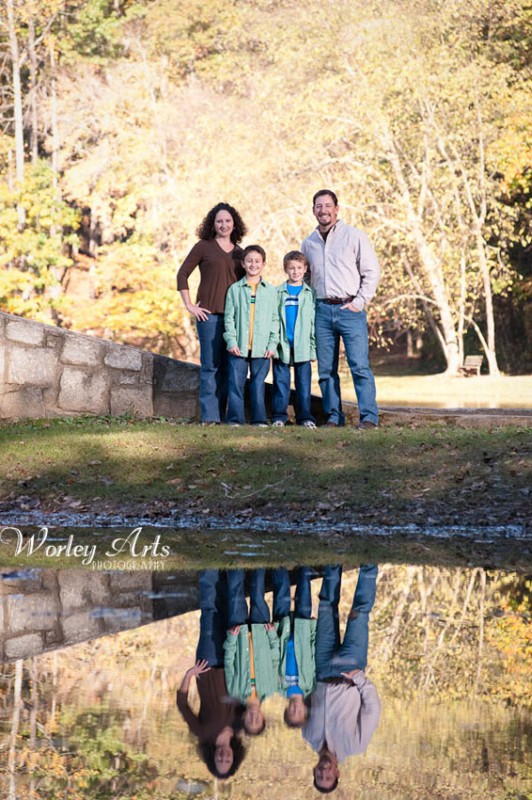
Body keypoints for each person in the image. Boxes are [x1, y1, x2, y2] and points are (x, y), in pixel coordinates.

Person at [301, 190, 380, 428]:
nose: (323, 210)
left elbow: (371, 272)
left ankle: (369, 418)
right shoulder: (309, 243)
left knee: (359, 366)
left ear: (337, 208)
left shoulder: (354, 236)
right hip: (322, 311)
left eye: (327, 205)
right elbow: (306, 277)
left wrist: (359, 302)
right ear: (313, 210)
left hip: (350, 310)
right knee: (326, 370)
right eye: (318, 206)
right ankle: (334, 417)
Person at [303, 564, 381, 793]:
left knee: (326, 607)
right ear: (338, 773)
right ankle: (369, 562)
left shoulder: (308, 736)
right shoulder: (356, 745)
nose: (324, 771)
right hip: (350, 671)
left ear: (314, 771)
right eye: (328, 776)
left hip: (323, 668)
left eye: (320, 775)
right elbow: (372, 709)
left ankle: (334, 560)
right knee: (359, 613)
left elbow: (306, 700)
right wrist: (360, 679)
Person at [177, 203, 246, 424]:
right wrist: (190, 305)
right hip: (208, 317)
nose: (223, 225)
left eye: (227, 221)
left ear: (234, 223)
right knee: (210, 366)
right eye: (219, 221)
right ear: (212, 224)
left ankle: (226, 416)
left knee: (229, 367)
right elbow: (182, 275)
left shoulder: (240, 253)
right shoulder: (203, 247)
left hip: (233, 319)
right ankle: (210, 416)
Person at [176, 570, 246, 779]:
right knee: (231, 614)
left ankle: (209, 570)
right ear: (234, 757)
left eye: (219, 760)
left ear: (212, 757)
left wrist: (189, 675)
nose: (224, 757)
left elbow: (182, 705)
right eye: (228, 760)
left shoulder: (203, 733)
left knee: (210, 613)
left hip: (207, 664)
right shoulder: (240, 727)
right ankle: (230, 571)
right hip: (234, 662)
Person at [223, 245, 279, 426]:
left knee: (257, 384)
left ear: (263, 264)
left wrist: (272, 345)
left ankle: (259, 419)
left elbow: (275, 320)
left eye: (257, 261)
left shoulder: (271, 291)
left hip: (262, 348)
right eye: (249, 261)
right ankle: (235, 420)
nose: (253, 264)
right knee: (236, 384)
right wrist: (231, 341)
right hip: (238, 347)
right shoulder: (234, 289)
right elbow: (229, 318)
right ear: (243, 264)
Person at [223, 568, 280, 735]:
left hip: (238, 633)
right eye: (258, 721)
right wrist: (271, 635)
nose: (253, 718)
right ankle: (258, 560)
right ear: (263, 716)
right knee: (257, 593)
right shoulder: (271, 688)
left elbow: (228, 662)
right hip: (261, 632)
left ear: (243, 718)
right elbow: (275, 658)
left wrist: (232, 639)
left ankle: (235, 563)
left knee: (235, 595)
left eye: (250, 721)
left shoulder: (235, 691)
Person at [271, 251, 317, 428]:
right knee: (281, 385)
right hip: (283, 345)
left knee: (303, 386)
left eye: (299, 268)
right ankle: (279, 417)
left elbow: (312, 323)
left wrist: (313, 349)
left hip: (303, 347)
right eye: (291, 268)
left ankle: (305, 417)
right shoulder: (277, 293)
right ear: (285, 270)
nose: (295, 271)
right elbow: (273, 320)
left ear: (305, 269)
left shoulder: (310, 294)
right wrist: (273, 346)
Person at [271, 567, 317, 728]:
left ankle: (279, 564)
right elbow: (313, 656)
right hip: (302, 632)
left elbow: (274, 660)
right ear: (305, 709)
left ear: (286, 709)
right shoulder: (311, 686)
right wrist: (313, 630)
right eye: (300, 713)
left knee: (281, 595)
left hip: (282, 633)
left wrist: (273, 635)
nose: (295, 710)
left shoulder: (277, 686)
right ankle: (304, 565)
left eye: (292, 713)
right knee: (304, 591)